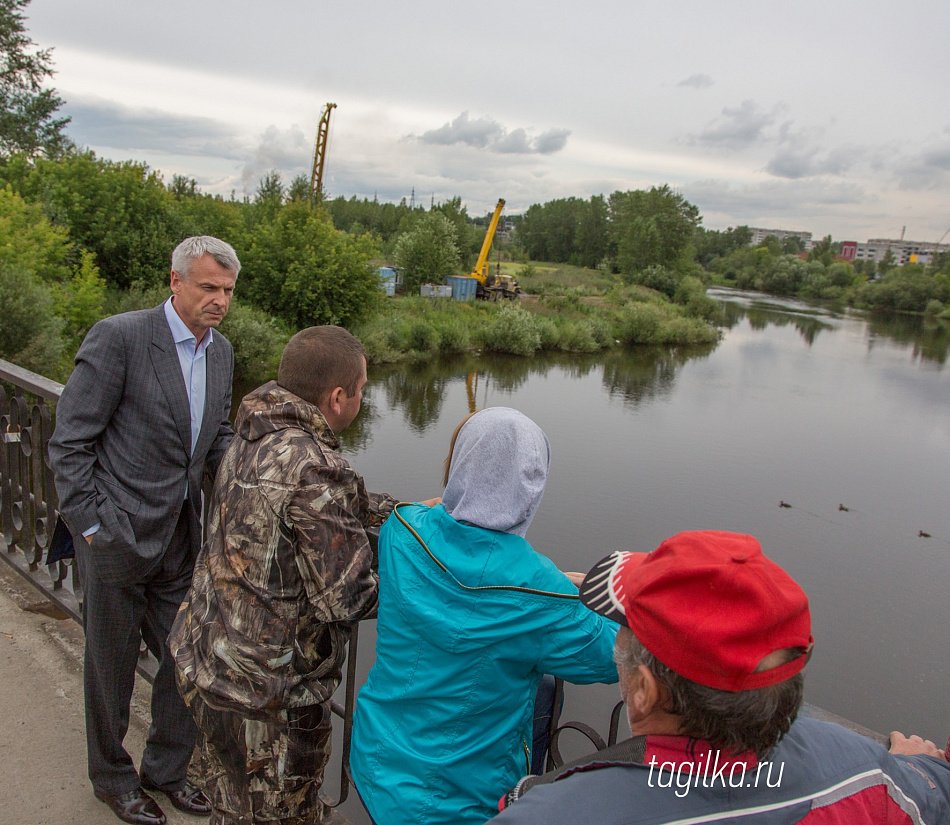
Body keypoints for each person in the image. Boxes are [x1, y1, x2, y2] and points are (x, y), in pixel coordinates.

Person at [493, 530, 950, 824]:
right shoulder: (868, 776)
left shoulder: (547, 812)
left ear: (645, 692)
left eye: (624, 630)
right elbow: (933, 791)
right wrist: (917, 768)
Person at [169, 326, 431, 825]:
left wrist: (404, 515)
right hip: (272, 700)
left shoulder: (253, 431)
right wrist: (429, 574)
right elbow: (349, 599)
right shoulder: (316, 465)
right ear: (337, 397)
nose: (361, 399)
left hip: (210, 661)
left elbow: (312, 506)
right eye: (361, 390)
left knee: (231, 808)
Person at [48, 236, 240, 825]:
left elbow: (216, 436)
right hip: (115, 536)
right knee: (109, 664)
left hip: (181, 535)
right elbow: (70, 442)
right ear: (176, 281)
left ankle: (166, 770)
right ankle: (112, 778)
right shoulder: (121, 337)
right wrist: (92, 526)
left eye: (227, 291)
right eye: (208, 287)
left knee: (187, 659)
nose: (219, 301)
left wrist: (257, 469)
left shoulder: (222, 352)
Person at [350, 407, 619, 825]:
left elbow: (439, 524)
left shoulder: (402, 532)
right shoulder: (540, 594)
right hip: (460, 803)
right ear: (532, 487)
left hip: (377, 762)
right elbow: (616, 653)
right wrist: (591, 592)